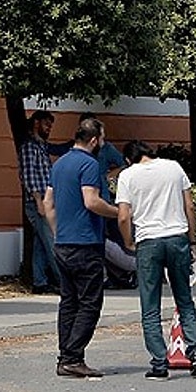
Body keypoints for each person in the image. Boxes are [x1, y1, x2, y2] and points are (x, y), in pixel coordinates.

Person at [116, 140, 196, 379]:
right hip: (177, 238)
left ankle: (159, 363)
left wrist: (128, 242)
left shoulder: (127, 176)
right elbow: (189, 206)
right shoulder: (174, 168)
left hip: (148, 242)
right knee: (184, 300)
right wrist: (192, 241)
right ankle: (195, 353)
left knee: (150, 305)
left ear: (128, 159)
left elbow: (124, 216)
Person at [43, 117, 119, 378]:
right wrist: (118, 213)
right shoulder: (89, 164)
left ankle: (65, 357)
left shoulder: (60, 163)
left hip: (63, 243)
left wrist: (57, 232)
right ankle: (73, 357)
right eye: (104, 138)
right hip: (86, 243)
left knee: (69, 302)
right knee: (90, 303)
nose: (104, 143)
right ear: (95, 139)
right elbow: (92, 201)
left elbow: (47, 204)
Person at [76, 112, 133, 288]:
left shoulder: (105, 151)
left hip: (104, 202)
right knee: (100, 243)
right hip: (96, 205)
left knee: (105, 242)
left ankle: (117, 274)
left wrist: (109, 176)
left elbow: (124, 163)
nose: (103, 141)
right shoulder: (85, 161)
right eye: (102, 137)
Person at [16, 110, 61, 294]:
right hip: (39, 202)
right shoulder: (29, 147)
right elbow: (28, 176)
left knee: (41, 243)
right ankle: (63, 281)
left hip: (45, 201)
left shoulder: (41, 146)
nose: (49, 128)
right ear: (36, 123)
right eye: (46, 124)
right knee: (51, 242)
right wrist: (39, 201)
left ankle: (40, 281)